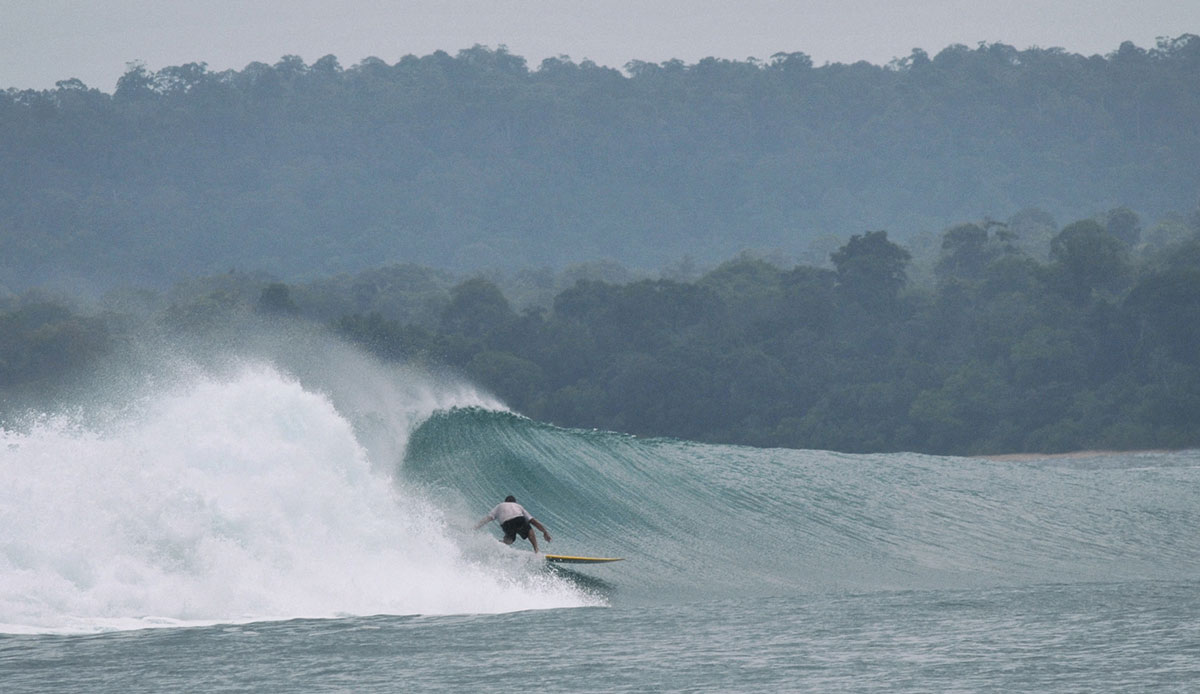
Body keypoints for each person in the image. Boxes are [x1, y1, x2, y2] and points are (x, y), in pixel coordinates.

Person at [474, 495, 552, 553]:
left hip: (506, 523)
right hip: (519, 519)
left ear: (505, 501)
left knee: (509, 540)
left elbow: (488, 518)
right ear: (515, 502)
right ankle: (536, 551)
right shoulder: (518, 506)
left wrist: (475, 527)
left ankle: (494, 545)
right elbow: (532, 521)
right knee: (529, 531)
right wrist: (545, 532)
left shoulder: (499, 506)